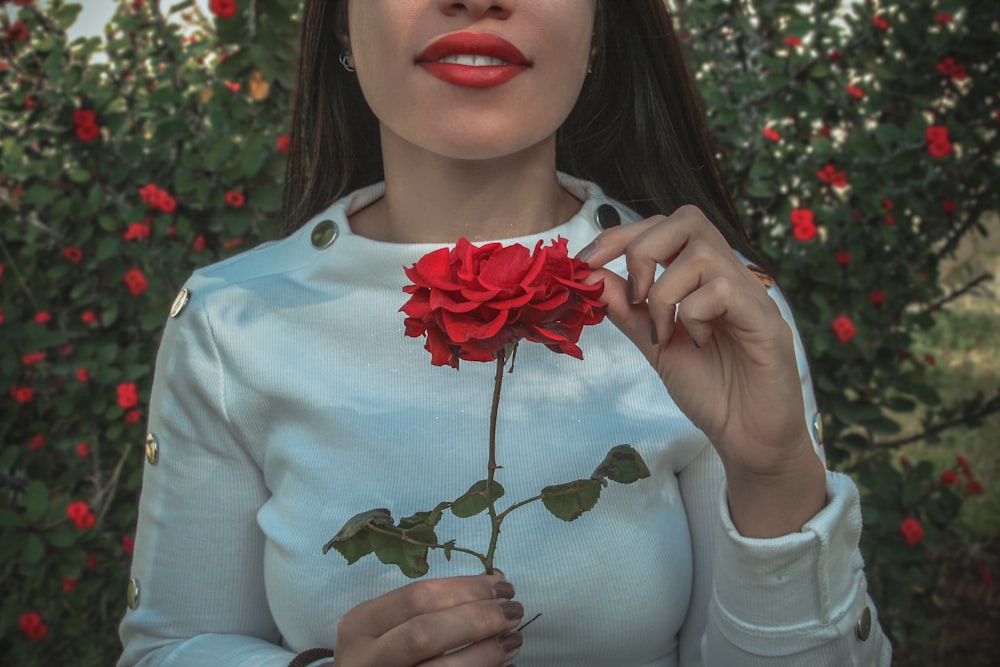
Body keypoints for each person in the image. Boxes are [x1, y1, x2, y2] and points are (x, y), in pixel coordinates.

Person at [118, 1, 892, 666]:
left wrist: (775, 481)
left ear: (598, 30)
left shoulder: (706, 313)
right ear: (341, 27)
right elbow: (171, 645)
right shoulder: (232, 322)